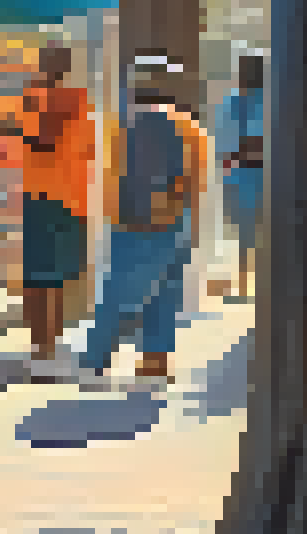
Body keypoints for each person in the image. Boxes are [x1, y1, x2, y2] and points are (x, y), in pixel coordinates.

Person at [74, 55, 208, 389]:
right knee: (163, 293)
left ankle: (94, 361)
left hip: (141, 220)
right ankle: (154, 363)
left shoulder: (140, 120)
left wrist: (147, 216)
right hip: (174, 218)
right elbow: (188, 176)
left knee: (119, 290)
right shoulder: (182, 121)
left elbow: (147, 174)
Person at [16, 45, 96, 365]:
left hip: (47, 196)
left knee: (42, 277)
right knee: (52, 278)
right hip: (63, 196)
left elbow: (45, 140)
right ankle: (47, 345)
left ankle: (43, 346)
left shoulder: (46, 99)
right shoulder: (78, 99)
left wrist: (15, 129)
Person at [216, 53, 267, 302]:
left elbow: (225, 146)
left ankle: (246, 287)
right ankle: (251, 286)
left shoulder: (233, 103)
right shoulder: (269, 102)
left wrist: (235, 153)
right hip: (260, 174)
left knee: (245, 236)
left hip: (241, 174)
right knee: (256, 234)